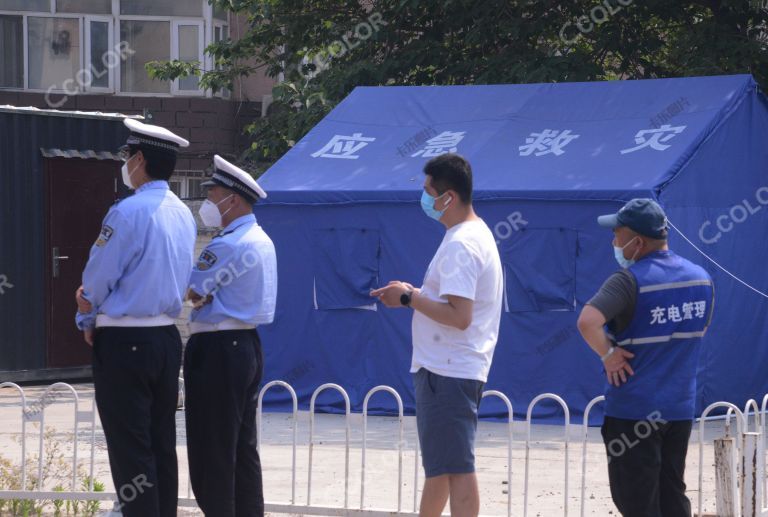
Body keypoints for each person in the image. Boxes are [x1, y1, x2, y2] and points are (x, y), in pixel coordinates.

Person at [74, 118, 196, 517]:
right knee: (161, 442)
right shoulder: (183, 214)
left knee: (130, 449)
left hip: (125, 341)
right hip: (165, 338)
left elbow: (97, 278)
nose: (125, 164)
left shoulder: (126, 213)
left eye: (128, 156)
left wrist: (86, 316)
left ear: (140, 159)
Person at [371, 153, 503, 517]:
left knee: (457, 469)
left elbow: (460, 316)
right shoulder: (469, 235)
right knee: (442, 468)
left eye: (429, 191)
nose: (425, 198)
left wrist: (409, 298)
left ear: (449, 196)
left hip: (449, 371)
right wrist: (411, 292)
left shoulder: (462, 244)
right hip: (448, 369)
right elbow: (450, 303)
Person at [577, 198, 715, 517]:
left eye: (618, 234)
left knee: (636, 501)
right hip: (678, 409)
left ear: (637, 242)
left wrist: (609, 355)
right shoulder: (701, 278)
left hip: (633, 411)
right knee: (672, 494)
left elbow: (587, 321)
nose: (613, 241)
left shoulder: (628, 280)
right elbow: (702, 329)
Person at [184, 155, 277, 517]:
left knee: (214, 451)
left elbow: (193, 290)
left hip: (219, 348)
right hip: (247, 346)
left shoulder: (228, 244)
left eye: (214, 193)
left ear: (233, 199)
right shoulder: (262, 239)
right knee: (242, 449)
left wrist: (204, 294)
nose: (209, 202)